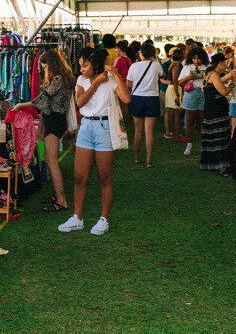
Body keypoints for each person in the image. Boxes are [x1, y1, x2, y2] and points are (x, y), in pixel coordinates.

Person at [58, 48, 131, 236]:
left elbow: (126, 98)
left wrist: (115, 73)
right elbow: (80, 102)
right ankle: (77, 217)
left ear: (95, 64)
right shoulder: (81, 81)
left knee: (104, 177)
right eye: (80, 65)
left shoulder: (111, 79)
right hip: (86, 128)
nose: (81, 69)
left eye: (85, 65)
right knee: (80, 177)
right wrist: (96, 82)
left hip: (105, 128)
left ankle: (104, 219)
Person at [13, 48, 75, 212]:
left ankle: (62, 200)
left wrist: (21, 105)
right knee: (49, 159)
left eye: (45, 67)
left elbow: (43, 98)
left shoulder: (58, 79)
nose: (43, 70)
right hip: (54, 120)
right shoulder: (62, 78)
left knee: (52, 160)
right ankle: (58, 195)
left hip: (54, 121)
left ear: (51, 65)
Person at [127, 43, 163, 167]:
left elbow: (128, 85)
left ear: (141, 53)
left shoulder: (134, 66)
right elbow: (162, 75)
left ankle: (136, 156)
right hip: (152, 98)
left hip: (137, 98)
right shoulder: (156, 65)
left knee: (138, 130)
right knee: (149, 131)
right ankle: (148, 160)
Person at [200, 54, 235, 175]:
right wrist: (232, 84)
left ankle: (211, 163)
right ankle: (222, 166)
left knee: (212, 138)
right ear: (219, 64)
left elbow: (204, 88)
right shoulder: (214, 75)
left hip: (211, 109)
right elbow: (224, 91)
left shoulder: (209, 74)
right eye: (225, 63)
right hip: (217, 111)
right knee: (219, 137)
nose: (226, 65)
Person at [180, 47, 208, 156]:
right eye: (194, 58)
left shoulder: (207, 67)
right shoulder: (187, 67)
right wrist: (189, 77)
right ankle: (189, 144)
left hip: (203, 94)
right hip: (190, 94)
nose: (196, 61)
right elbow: (179, 82)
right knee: (190, 122)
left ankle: (204, 145)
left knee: (202, 121)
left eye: (199, 58)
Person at [162, 47, 185, 142]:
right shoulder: (176, 67)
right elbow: (175, 82)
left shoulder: (171, 65)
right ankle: (176, 134)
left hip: (170, 89)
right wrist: (177, 95)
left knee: (172, 112)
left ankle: (172, 132)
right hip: (174, 90)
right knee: (176, 113)